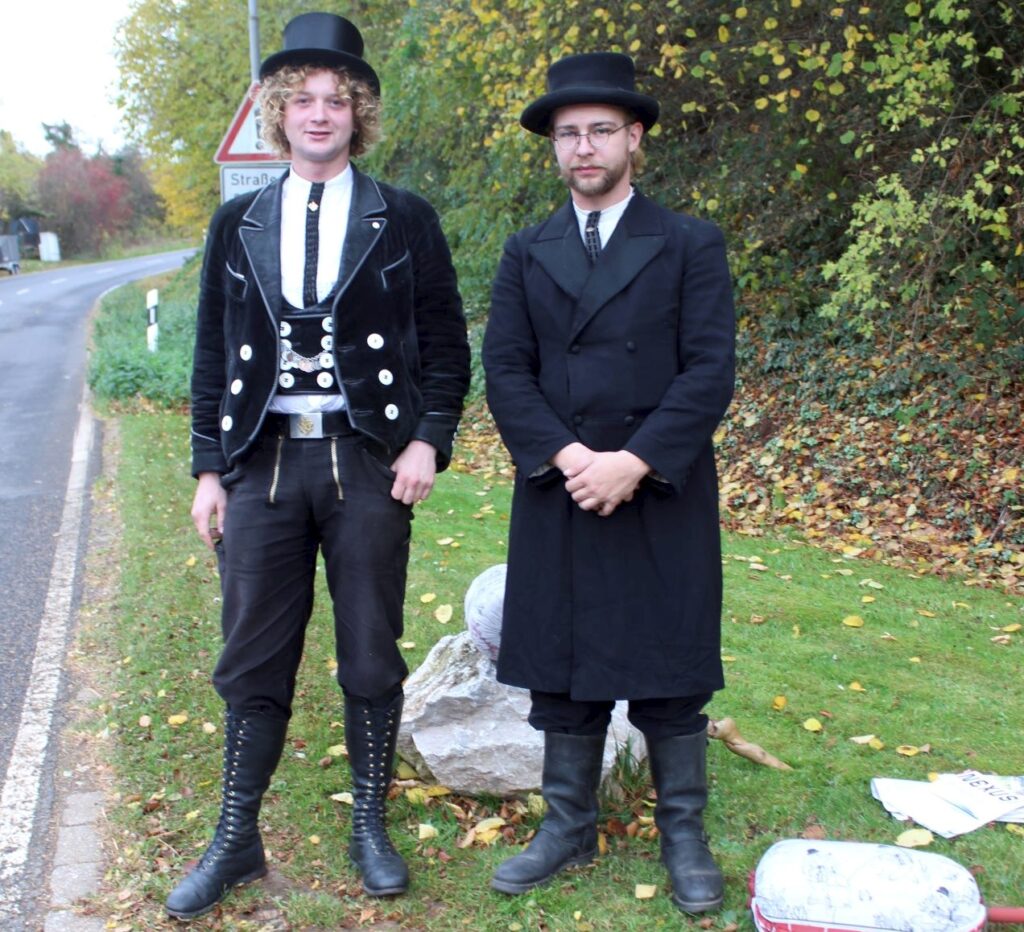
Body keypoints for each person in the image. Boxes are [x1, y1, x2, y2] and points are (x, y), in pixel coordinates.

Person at [166, 13, 470, 920]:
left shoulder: (404, 216)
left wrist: (426, 440)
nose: (321, 113)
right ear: (278, 113)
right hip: (260, 465)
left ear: (359, 114)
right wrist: (207, 469)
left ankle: (369, 824)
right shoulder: (238, 221)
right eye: (303, 99)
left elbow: (450, 347)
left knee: (372, 650)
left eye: (338, 99)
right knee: (251, 656)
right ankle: (235, 837)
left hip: (366, 462)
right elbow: (213, 354)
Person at [482, 52, 735, 914]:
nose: (583, 148)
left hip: (659, 485)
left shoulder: (691, 243)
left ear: (634, 138)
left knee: (670, 671)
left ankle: (684, 835)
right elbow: (506, 373)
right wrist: (570, 459)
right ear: (554, 148)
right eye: (567, 134)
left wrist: (634, 462)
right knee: (565, 665)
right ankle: (567, 826)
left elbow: (708, 371)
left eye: (598, 131)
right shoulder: (527, 251)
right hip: (563, 489)